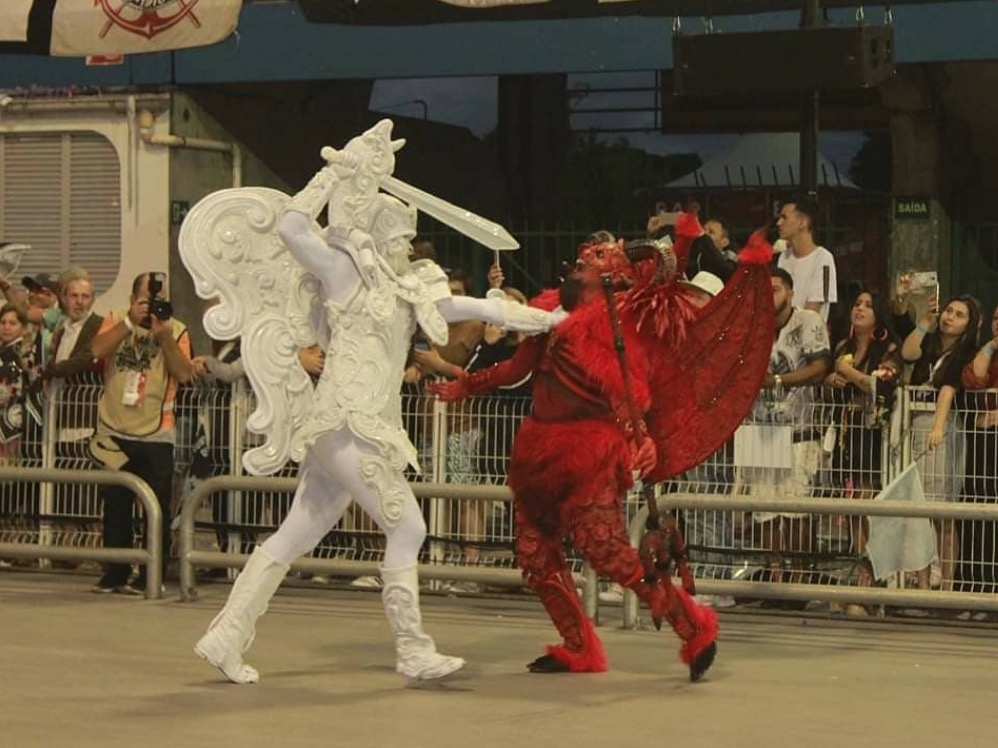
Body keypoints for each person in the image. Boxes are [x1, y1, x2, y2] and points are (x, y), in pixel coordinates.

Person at [185, 121, 556, 686]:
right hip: (345, 423)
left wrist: (550, 320)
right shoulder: (344, 274)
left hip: (358, 428)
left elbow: (480, 308)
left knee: (297, 532)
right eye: (399, 237)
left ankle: (225, 635)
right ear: (378, 235)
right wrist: (333, 172)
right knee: (408, 527)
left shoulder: (407, 293)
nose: (406, 247)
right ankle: (412, 649)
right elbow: (292, 227)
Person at [431, 221, 774, 681]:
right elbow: (517, 368)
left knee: (609, 552)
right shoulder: (548, 317)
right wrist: (467, 385)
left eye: (595, 257)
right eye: (583, 255)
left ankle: (693, 626)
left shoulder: (618, 331)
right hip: (538, 451)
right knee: (535, 556)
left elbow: (630, 394)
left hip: (589, 455)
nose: (582, 258)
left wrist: (642, 440)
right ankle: (578, 647)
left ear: (613, 275)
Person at [88, 272, 196, 595]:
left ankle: (152, 575)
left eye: (158, 300)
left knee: (156, 509)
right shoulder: (115, 319)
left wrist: (164, 337)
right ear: (133, 299)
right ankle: (115, 573)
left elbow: (185, 374)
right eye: (146, 300)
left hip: (156, 434)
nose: (152, 306)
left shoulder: (177, 329)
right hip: (113, 430)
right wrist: (129, 324)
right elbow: (97, 349)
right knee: (115, 505)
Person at [745, 268, 832, 591]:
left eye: (776, 289)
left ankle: (799, 580)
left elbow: (821, 367)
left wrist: (779, 380)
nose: (770, 296)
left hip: (799, 431)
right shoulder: (754, 325)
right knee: (764, 510)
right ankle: (775, 577)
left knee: (796, 510)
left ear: (791, 293)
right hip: (759, 429)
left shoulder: (807, 321)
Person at [823, 289, 900, 604]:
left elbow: (882, 385)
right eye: (857, 304)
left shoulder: (888, 349)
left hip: (873, 434)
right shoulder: (843, 347)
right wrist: (831, 380)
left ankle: (874, 573)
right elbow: (831, 383)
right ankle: (858, 569)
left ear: (878, 314)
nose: (860, 309)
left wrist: (850, 373)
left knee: (868, 502)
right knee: (852, 505)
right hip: (845, 432)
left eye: (868, 305)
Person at [900, 292, 981, 591]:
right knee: (917, 513)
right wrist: (924, 323)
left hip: (943, 428)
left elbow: (948, 389)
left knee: (942, 513)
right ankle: (922, 585)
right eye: (949, 311)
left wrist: (937, 427)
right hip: (913, 425)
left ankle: (946, 587)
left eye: (959, 315)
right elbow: (908, 353)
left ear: (969, 324)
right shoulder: (931, 344)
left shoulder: (966, 353)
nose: (950, 317)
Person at [960, 302, 998, 596]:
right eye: (996, 318)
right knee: (977, 510)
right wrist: (991, 346)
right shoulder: (986, 353)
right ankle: (978, 585)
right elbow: (974, 380)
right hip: (983, 442)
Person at [775, 197, 837, 321]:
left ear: (802, 222)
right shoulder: (784, 257)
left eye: (784, 217)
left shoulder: (824, 259)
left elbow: (813, 310)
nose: (778, 223)